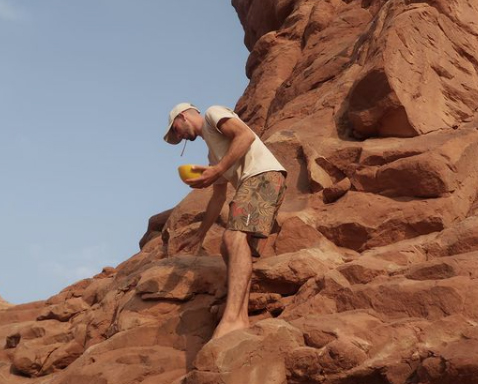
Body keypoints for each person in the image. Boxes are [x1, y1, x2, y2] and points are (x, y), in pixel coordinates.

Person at [163, 102, 287, 339]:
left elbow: (246, 135)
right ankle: (240, 316)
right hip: (253, 183)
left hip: (262, 177)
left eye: (175, 129)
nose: (179, 136)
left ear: (183, 116)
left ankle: (232, 319)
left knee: (233, 237)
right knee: (228, 247)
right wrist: (199, 235)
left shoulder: (213, 114)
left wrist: (218, 169)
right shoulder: (212, 151)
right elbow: (218, 198)